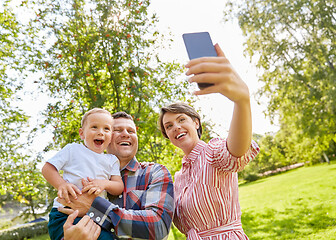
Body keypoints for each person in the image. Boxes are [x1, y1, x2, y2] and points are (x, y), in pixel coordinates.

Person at [158, 44, 260, 240]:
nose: (176, 127)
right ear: (167, 135)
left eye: (181, 120)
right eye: (169, 126)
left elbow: (236, 152)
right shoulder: (177, 178)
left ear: (196, 122)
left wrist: (242, 101)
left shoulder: (213, 152)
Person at [58, 112, 174, 240]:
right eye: (117, 130)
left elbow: (158, 228)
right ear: (105, 138)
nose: (125, 134)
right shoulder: (82, 176)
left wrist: (95, 208)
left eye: (131, 131)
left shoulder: (155, 172)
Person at [42, 108, 124, 240]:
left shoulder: (111, 160)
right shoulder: (73, 149)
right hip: (65, 213)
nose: (100, 132)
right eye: (94, 127)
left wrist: (104, 183)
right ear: (82, 133)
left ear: (111, 137)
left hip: (95, 216)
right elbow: (47, 168)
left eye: (106, 129)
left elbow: (118, 186)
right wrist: (62, 184)